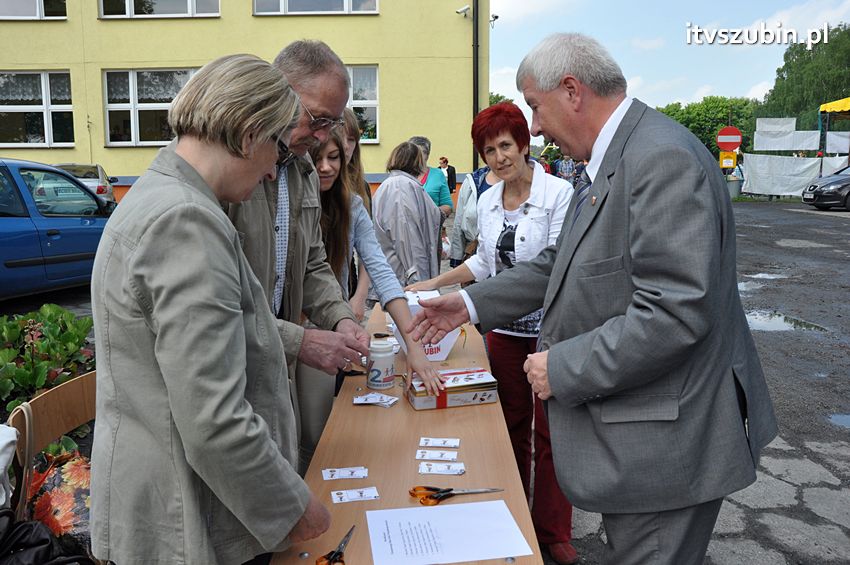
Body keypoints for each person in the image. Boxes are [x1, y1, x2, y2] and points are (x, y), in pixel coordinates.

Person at [408, 33, 778, 565]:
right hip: (647, 434)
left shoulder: (658, 159)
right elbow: (563, 261)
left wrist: (564, 366)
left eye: (534, 106)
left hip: (667, 445)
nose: (533, 126)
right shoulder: (617, 157)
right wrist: (467, 304)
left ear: (572, 91)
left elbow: (675, 310)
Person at [89, 54, 330, 565]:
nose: (272, 173)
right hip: (186, 518)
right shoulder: (186, 220)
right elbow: (213, 419)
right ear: (247, 135)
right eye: (275, 150)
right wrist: (293, 506)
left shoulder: (163, 196)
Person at [407, 102, 577, 564]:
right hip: (502, 332)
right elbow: (483, 262)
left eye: (505, 145)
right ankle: (512, 511)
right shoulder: (486, 198)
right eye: (488, 151)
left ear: (524, 143)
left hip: (552, 334)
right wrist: (433, 282)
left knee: (552, 436)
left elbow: (558, 266)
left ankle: (553, 531)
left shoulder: (560, 193)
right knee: (508, 428)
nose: (499, 157)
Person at [224, 41, 370, 467]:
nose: (324, 135)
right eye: (317, 118)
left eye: (333, 122)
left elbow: (311, 264)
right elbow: (217, 307)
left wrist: (342, 318)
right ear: (277, 92)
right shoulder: (234, 169)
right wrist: (302, 341)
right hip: (231, 367)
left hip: (272, 359)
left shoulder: (302, 169)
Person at [296, 131, 444, 468]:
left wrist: (415, 347)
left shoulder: (353, 205)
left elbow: (380, 270)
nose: (326, 167)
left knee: (319, 433)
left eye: (335, 156)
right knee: (298, 434)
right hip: (295, 327)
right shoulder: (291, 200)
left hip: (331, 324)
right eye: (317, 157)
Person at [372, 141, 442, 286]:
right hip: (404, 282)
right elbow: (407, 240)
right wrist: (419, 283)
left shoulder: (396, 184)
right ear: (417, 162)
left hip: (400, 277)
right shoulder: (401, 187)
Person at [341, 107, 373, 302]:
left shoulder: (361, 187)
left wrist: (360, 296)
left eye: (351, 139)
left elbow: (368, 249)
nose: (345, 146)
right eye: (340, 137)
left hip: (348, 284)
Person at [409, 136, 453, 217]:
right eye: (415, 152)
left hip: (431, 227)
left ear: (428, 155)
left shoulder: (437, 174)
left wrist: (429, 213)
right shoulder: (402, 174)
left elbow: (448, 206)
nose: (418, 156)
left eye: (423, 152)